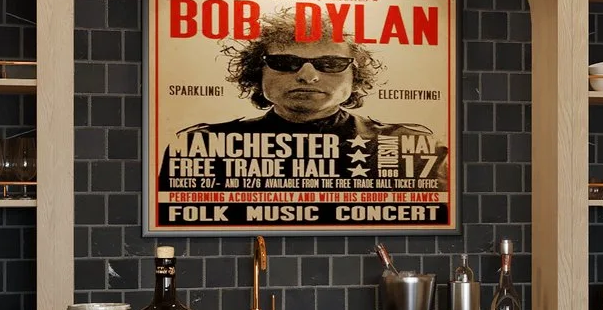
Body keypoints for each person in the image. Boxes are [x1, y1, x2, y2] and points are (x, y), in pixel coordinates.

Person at [166, 11, 446, 185]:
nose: (308, 76)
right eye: (286, 62)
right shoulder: (200, 147)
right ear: (257, 73)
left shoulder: (412, 149)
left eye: (331, 63)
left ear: (355, 75)